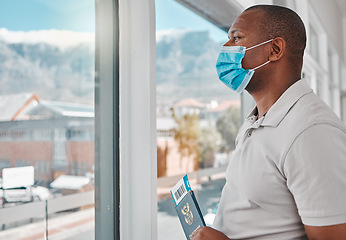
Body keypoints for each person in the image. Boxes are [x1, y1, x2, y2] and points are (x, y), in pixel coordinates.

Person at [191, 4, 346, 240]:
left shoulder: (312, 131)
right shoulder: (257, 120)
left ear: (274, 49)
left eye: (236, 38)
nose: (225, 48)